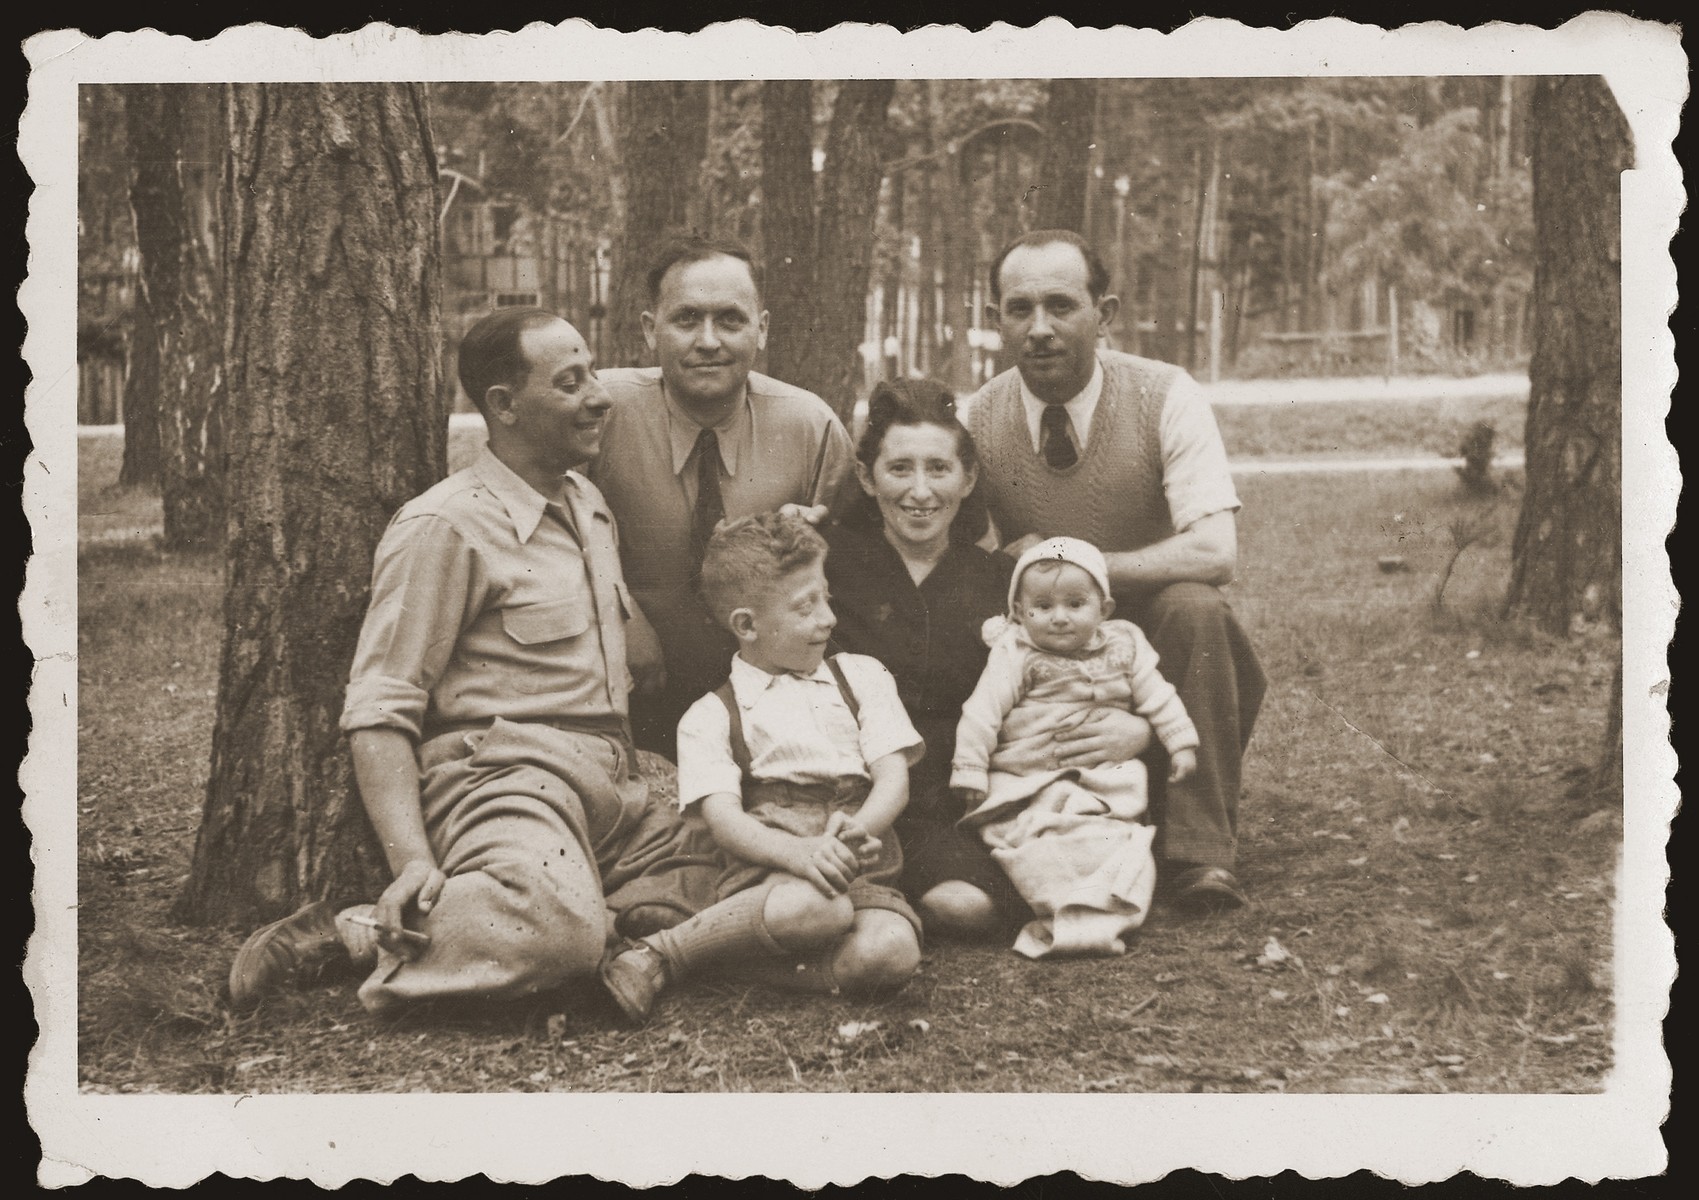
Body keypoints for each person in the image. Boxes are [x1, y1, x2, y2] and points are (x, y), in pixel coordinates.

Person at [228, 307, 715, 1014]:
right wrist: (413, 863)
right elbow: (379, 705)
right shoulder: (446, 525)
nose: (599, 397)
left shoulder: (587, 502)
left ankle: (601, 913)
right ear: (503, 405)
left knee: (748, 870)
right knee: (557, 935)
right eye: (570, 382)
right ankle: (355, 932)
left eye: (594, 376)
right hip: (508, 780)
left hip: (614, 794)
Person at [965, 229, 1267, 912]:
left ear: (1106, 313)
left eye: (1061, 306)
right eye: (1019, 310)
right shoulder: (978, 418)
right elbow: (965, 560)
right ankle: (1031, 827)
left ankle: (1197, 854)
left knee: (1196, 607)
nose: (1039, 329)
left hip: (1155, 643)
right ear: (994, 322)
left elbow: (1215, 551)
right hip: (1045, 653)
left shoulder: (1164, 395)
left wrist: (1073, 565)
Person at [823, 379, 1155, 938]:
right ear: (866, 477)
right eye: (899, 468)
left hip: (962, 799)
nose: (921, 491)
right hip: (851, 790)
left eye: (939, 469)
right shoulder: (829, 569)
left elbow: (1075, 671)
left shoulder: (1007, 584)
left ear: (969, 478)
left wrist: (1138, 728)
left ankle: (894, 901)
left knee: (966, 907)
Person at [599, 513, 923, 1024]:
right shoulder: (709, 715)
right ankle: (664, 953)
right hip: (771, 870)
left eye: (826, 597)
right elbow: (725, 820)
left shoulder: (862, 676)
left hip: (859, 860)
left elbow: (893, 778)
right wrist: (797, 853)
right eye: (805, 607)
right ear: (746, 625)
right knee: (821, 909)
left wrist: (859, 828)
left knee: (892, 952)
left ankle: (720, 957)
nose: (828, 619)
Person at [592, 235, 857, 757]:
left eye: (731, 320)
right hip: (624, 696)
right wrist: (617, 613)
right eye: (686, 319)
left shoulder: (809, 427)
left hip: (768, 713)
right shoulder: (601, 414)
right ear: (650, 329)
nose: (709, 341)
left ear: (761, 329)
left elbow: (857, 568)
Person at [950, 537, 1199, 959]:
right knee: (1041, 836)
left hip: (1105, 778)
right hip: (1029, 775)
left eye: (1075, 604)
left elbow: (1159, 696)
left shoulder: (1125, 644)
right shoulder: (1017, 652)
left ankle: (1100, 911)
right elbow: (983, 713)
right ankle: (1062, 906)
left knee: (1117, 838)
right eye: (1042, 607)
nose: (1059, 618)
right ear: (1018, 613)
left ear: (1104, 609)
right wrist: (969, 768)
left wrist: (1180, 743)